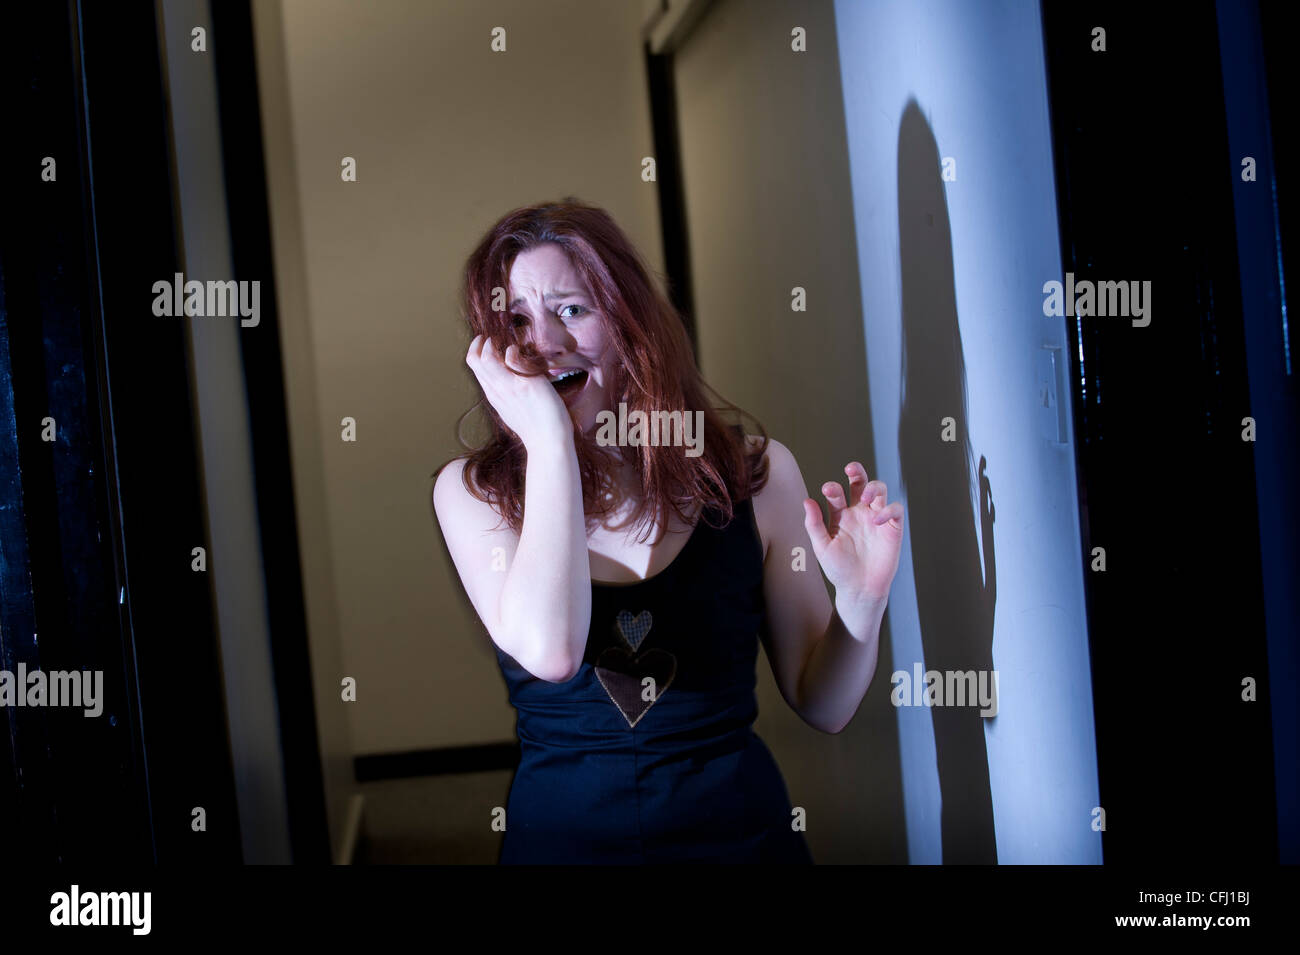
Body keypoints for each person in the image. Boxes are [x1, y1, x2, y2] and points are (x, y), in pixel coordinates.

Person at [432, 198, 904, 863]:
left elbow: (822, 703)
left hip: (742, 841)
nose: (546, 343)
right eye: (518, 320)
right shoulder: (474, 494)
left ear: (628, 319)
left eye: (571, 309)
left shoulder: (756, 475)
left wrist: (863, 601)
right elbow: (553, 651)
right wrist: (548, 443)